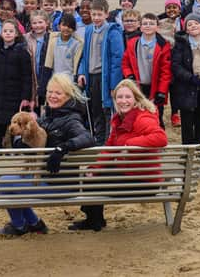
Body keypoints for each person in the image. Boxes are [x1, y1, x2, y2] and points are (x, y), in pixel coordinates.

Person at [0, 73, 95, 235]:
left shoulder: (71, 119)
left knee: (5, 184)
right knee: (7, 183)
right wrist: (23, 141)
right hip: (48, 179)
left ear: (68, 96)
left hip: (60, 184)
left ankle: (20, 226)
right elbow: (27, 143)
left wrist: (62, 148)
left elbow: (88, 138)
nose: (52, 96)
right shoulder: (46, 118)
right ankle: (34, 223)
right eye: (50, 92)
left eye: (58, 93)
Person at [68, 79, 167, 231]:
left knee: (93, 183)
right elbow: (110, 148)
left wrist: (131, 143)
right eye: (119, 97)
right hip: (129, 171)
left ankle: (94, 222)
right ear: (115, 100)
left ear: (136, 99)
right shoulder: (119, 119)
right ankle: (95, 220)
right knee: (91, 176)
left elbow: (161, 138)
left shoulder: (142, 118)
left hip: (144, 180)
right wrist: (94, 168)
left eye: (128, 97)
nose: (123, 101)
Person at [0, 19, 33, 149]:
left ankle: (15, 146)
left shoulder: (22, 52)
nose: (8, 33)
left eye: (11, 31)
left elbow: (27, 76)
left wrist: (26, 97)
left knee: (14, 121)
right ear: (1, 33)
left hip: (13, 93)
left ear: (16, 34)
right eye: (5, 31)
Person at [77, 0, 124, 145]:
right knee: (94, 110)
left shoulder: (113, 32)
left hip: (105, 78)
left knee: (107, 110)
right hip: (91, 76)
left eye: (99, 14)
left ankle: (107, 144)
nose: (96, 18)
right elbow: (85, 54)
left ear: (106, 14)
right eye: (93, 14)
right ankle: (98, 142)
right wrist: (82, 72)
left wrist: (113, 85)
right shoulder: (89, 30)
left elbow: (118, 59)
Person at [171, 13, 200, 166]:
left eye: (196, 23)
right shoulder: (180, 43)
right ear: (186, 29)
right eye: (189, 25)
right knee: (187, 122)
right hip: (186, 89)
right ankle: (186, 153)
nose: (193, 26)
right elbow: (176, 66)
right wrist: (190, 78)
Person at [122, 13, 172, 128]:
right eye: (145, 23)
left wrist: (161, 92)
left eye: (151, 24)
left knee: (156, 116)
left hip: (155, 87)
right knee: (136, 115)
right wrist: (129, 76)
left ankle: (158, 142)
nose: (148, 26)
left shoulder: (163, 45)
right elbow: (125, 63)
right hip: (137, 86)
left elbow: (166, 71)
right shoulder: (132, 43)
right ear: (140, 26)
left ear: (157, 27)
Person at [157, 0, 183, 128]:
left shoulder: (183, 21)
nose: (172, 10)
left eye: (174, 7)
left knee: (176, 90)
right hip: (165, 58)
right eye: (169, 7)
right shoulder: (160, 21)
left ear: (179, 8)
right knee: (163, 88)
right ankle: (159, 114)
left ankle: (175, 113)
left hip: (179, 59)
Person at [44, 13, 84, 89]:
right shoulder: (53, 41)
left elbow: (76, 64)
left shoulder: (77, 44)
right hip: (55, 78)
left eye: (70, 26)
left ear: (74, 29)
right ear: (59, 26)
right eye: (64, 25)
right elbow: (48, 63)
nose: (66, 28)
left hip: (69, 80)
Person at [24, 10, 51, 115]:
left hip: (45, 77)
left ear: (47, 23)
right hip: (31, 77)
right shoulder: (26, 38)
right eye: (34, 23)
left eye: (40, 22)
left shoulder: (52, 38)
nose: (37, 26)